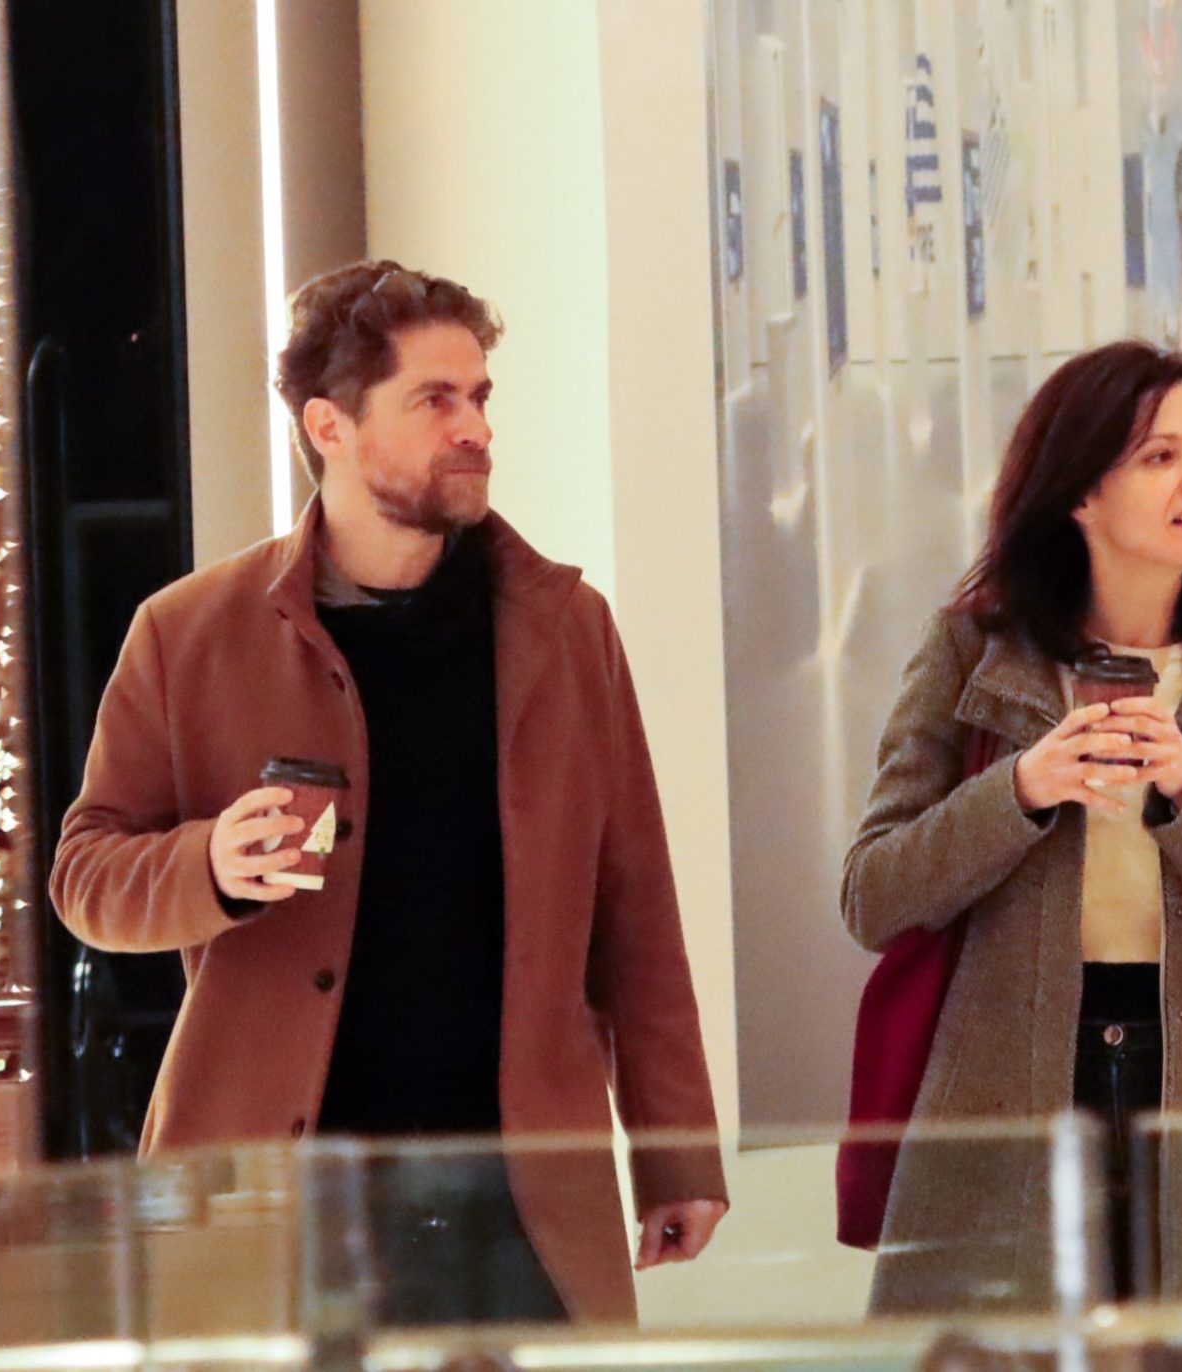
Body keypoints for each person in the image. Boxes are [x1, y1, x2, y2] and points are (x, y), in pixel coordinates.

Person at [50, 260, 727, 1323]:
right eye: (434, 400)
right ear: (330, 425)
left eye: (480, 397)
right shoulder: (187, 634)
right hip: (284, 1209)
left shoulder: (564, 630)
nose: (476, 429)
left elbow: (635, 908)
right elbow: (84, 875)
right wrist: (208, 864)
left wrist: (676, 1150)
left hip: (519, 1204)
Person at [841, 340, 1182, 1310]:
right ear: (1080, 492)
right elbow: (873, 895)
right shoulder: (970, 647)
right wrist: (1021, 790)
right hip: (1012, 1090)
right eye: (1161, 456)